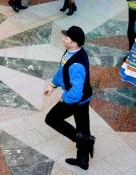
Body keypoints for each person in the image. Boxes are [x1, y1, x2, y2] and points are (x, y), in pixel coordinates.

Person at [44, 26, 95, 171]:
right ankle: (83, 160)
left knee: (51, 119)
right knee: (83, 126)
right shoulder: (71, 52)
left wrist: (64, 99)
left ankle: (84, 139)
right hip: (84, 97)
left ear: (74, 43)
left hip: (76, 99)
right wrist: (53, 85)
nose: (63, 39)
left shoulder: (76, 65)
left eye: (66, 38)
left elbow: (76, 93)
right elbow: (62, 70)